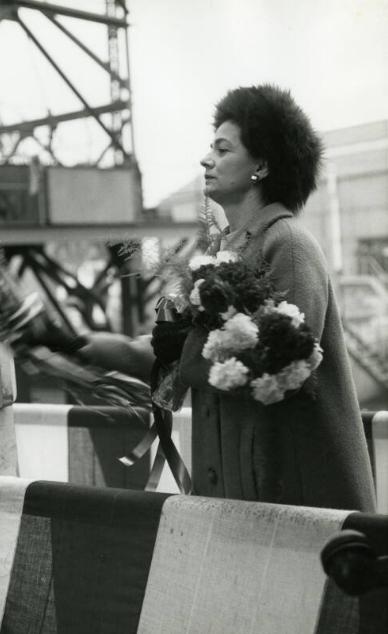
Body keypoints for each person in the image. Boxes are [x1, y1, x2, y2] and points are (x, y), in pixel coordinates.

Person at [30, 85, 376, 512]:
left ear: (262, 165)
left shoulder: (287, 244)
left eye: (222, 149)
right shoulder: (218, 255)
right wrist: (71, 341)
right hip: (238, 498)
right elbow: (168, 356)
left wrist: (184, 347)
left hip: (295, 497)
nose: (205, 159)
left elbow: (285, 365)